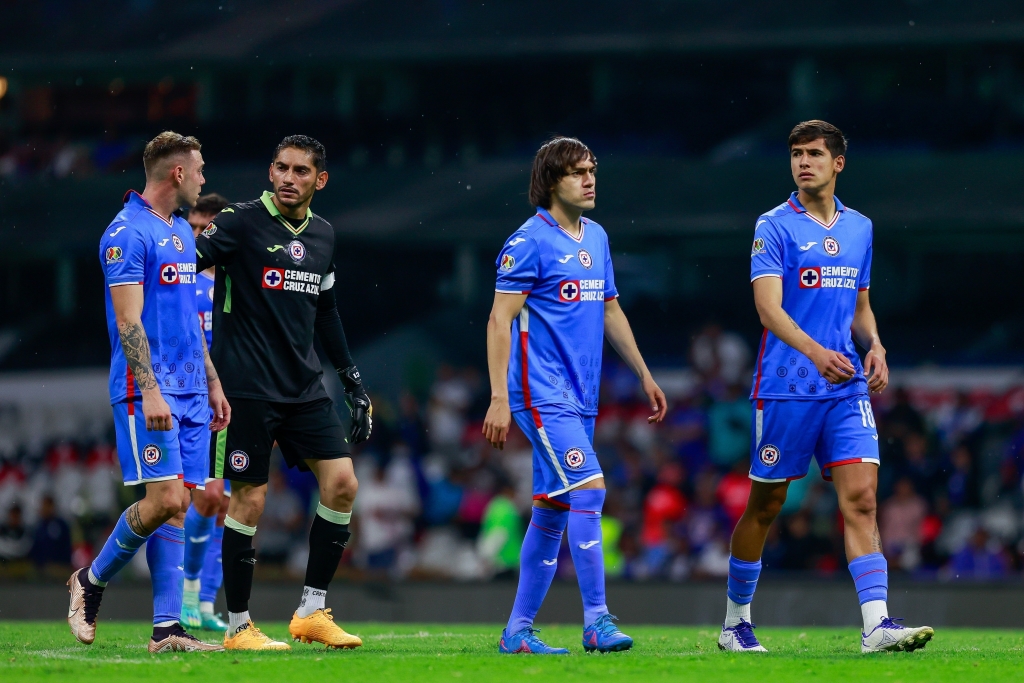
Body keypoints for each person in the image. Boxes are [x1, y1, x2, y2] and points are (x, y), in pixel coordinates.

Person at [718, 120, 934, 654]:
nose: (803, 162)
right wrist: (817, 352)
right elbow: (768, 309)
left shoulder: (860, 227)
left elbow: (861, 308)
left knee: (861, 500)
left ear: (838, 163)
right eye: (796, 153)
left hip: (845, 388)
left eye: (814, 153)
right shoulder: (773, 226)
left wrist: (876, 346)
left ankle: (877, 625)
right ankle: (735, 623)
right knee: (765, 506)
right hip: (788, 386)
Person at [483, 136, 667, 655]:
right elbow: (500, 319)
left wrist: (645, 374)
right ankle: (597, 621)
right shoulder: (528, 242)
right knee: (589, 490)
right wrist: (499, 396)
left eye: (592, 170)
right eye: (576, 172)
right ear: (550, 182)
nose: (589, 180)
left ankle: (517, 630)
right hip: (539, 394)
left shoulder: (598, 237)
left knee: (553, 509)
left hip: (582, 395)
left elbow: (609, 309)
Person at [195, 135, 371, 651]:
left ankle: (311, 611)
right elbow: (185, 269)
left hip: (304, 386)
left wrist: (351, 379)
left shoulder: (323, 235)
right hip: (246, 388)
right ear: (270, 172)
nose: (289, 178)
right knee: (249, 500)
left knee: (342, 484)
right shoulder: (239, 222)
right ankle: (238, 626)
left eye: (301, 170)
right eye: (281, 168)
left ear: (321, 180)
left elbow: (326, 310)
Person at [69, 131, 229, 653]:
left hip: (190, 391)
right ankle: (90, 580)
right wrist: (152, 390)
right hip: (148, 393)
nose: (204, 177)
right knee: (162, 501)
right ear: (177, 173)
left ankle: (167, 630)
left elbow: (189, 319)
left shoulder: (182, 231)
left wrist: (211, 380)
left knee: (180, 504)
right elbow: (128, 321)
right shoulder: (125, 234)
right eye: (199, 169)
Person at [179, 192, 231, 632]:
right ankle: (189, 591)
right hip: (195, 400)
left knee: (229, 504)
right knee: (206, 496)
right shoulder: (184, 282)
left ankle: (208, 602)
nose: (196, 238)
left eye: (204, 231)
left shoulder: (236, 281)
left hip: (238, 403)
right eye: (192, 228)